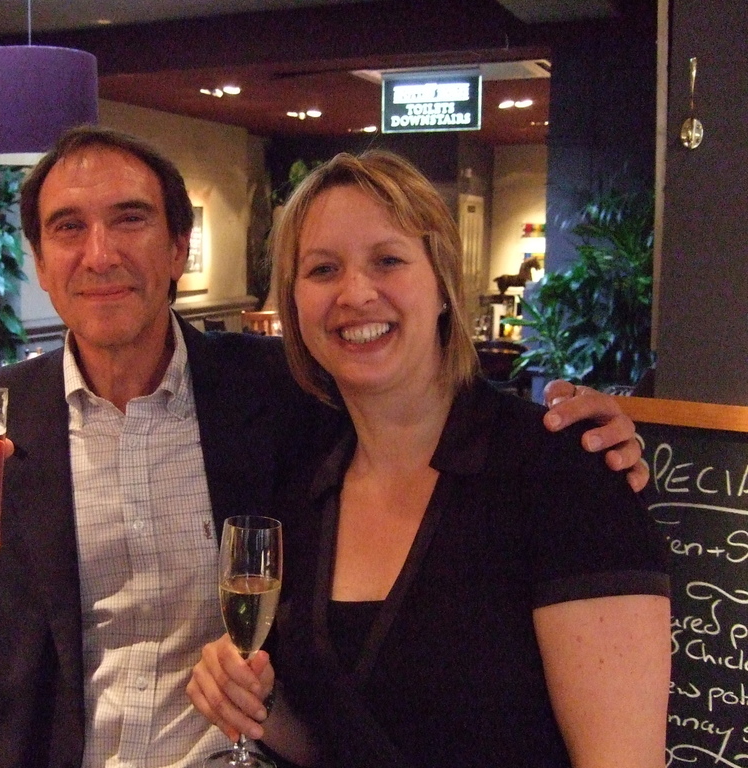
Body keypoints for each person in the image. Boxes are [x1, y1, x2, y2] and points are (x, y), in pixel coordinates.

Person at [0, 127, 649, 768]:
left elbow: (416, 405)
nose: (100, 253)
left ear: (177, 250)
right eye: (68, 228)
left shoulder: (282, 393)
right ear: (42, 265)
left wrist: (582, 430)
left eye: (130, 219)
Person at [186, 151, 671, 768]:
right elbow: (336, 743)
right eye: (323, 269)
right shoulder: (305, 483)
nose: (355, 293)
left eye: (387, 260)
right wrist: (257, 704)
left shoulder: (563, 472)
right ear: (294, 304)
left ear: (442, 284)